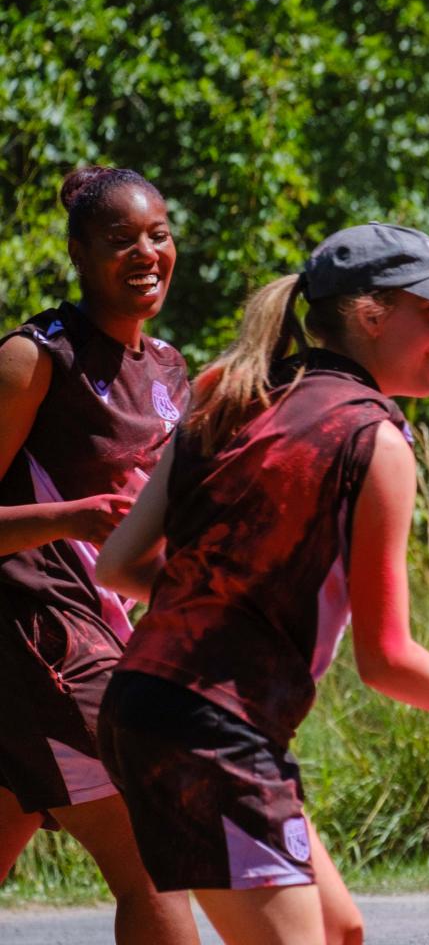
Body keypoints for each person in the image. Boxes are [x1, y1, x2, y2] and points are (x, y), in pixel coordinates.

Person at [94, 222, 429, 945]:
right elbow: (386, 661)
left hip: (149, 704)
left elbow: (121, 565)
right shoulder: (374, 440)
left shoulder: (229, 390)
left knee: (341, 931)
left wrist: (224, 599)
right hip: (212, 729)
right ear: (371, 314)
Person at [0, 166, 196, 943]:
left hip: (116, 641)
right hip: (41, 639)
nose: (146, 253)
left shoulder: (169, 368)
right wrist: (67, 517)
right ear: (78, 254)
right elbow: (88, 521)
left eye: (159, 234)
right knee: (154, 851)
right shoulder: (34, 358)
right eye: (120, 240)